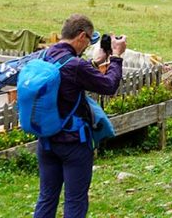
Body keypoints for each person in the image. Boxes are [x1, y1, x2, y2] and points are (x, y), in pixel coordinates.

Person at [33, 14, 126, 218]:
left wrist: (95, 62)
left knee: (47, 198)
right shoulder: (75, 65)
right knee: (75, 200)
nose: (87, 46)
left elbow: (67, 83)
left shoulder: (44, 56)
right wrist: (117, 57)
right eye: (89, 40)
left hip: (46, 141)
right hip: (73, 143)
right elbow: (109, 86)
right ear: (81, 36)